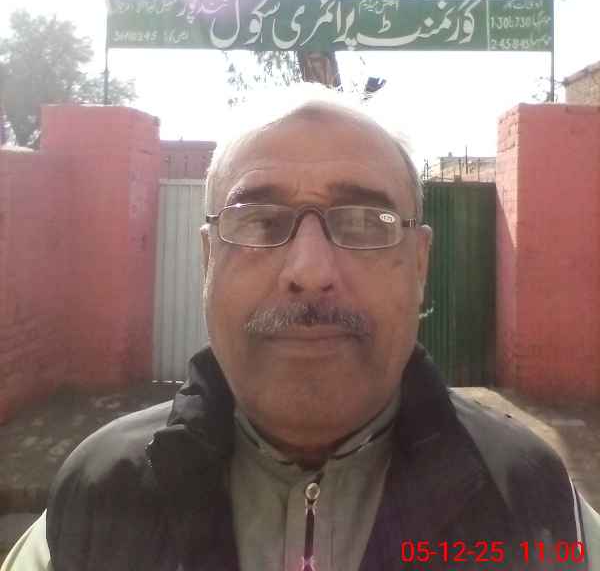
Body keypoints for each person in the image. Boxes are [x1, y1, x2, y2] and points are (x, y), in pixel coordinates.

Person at [3, 84, 600, 571]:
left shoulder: (534, 503)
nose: (310, 272)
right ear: (209, 260)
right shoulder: (99, 499)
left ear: (419, 265)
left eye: (365, 222)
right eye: (260, 222)